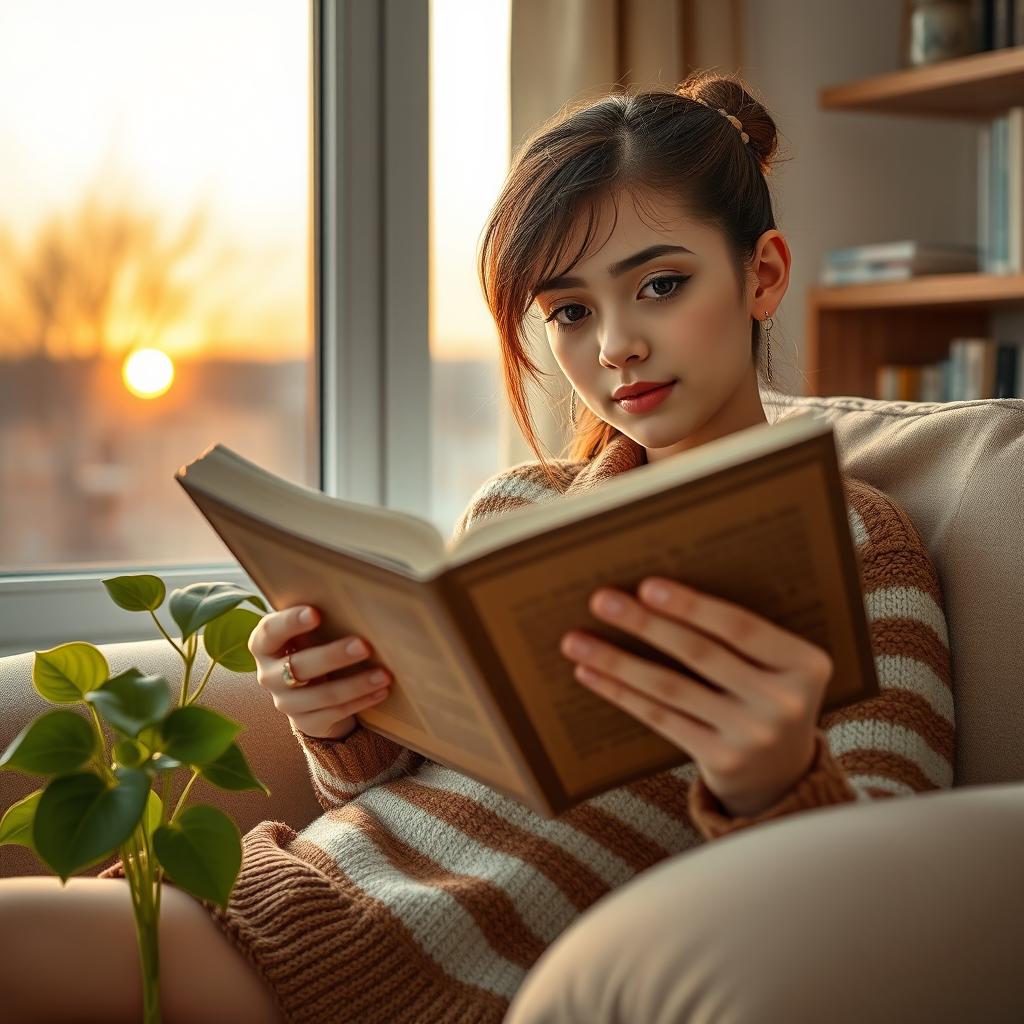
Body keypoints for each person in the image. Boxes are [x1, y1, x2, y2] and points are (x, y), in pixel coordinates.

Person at [0, 69, 955, 1024]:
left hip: (442, 976)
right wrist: (340, 719)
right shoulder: (518, 505)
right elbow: (399, 786)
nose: (615, 345)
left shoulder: (860, 543)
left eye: (661, 285)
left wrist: (772, 780)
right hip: (298, 899)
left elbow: (890, 916)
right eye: (570, 312)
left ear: (763, 273)